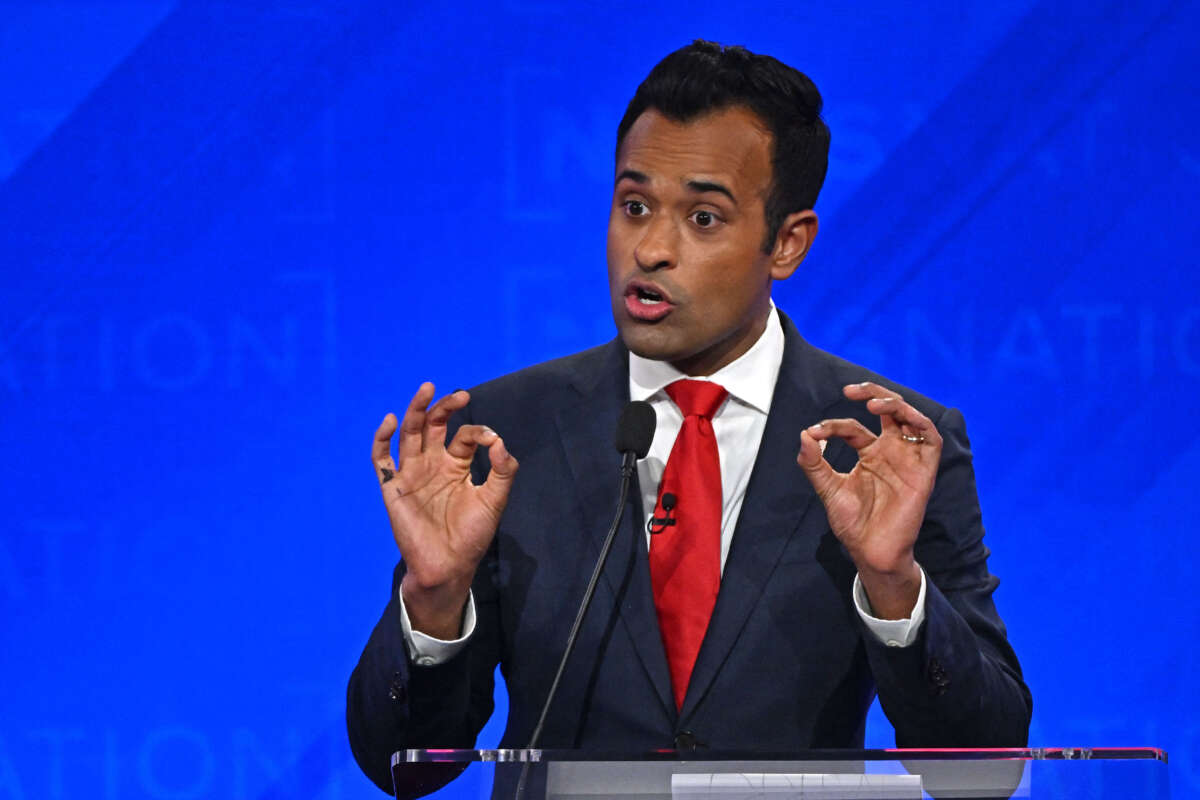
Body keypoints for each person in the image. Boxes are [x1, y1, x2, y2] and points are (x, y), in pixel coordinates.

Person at [347, 40, 1032, 798]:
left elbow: (987, 766)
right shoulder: (503, 433)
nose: (651, 249)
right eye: (633, 205)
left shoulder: (885, 443)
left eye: (703, 218)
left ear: (788, 243)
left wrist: (895, 586)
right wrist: (434, 599)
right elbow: (400, 764)